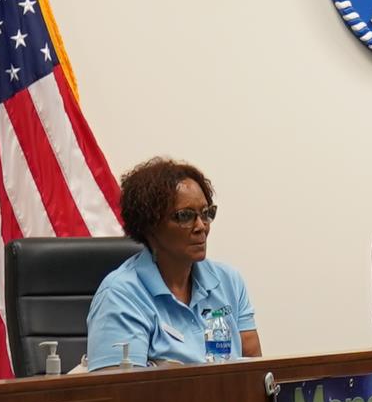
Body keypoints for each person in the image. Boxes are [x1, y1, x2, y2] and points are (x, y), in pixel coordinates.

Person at [83, 156, 261, 369]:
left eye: (206, 214)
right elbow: (118, 395)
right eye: (185, 216)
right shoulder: (120, 295)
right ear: (150, 226)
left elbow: (256, 374)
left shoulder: (228, 281)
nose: (201, 226)